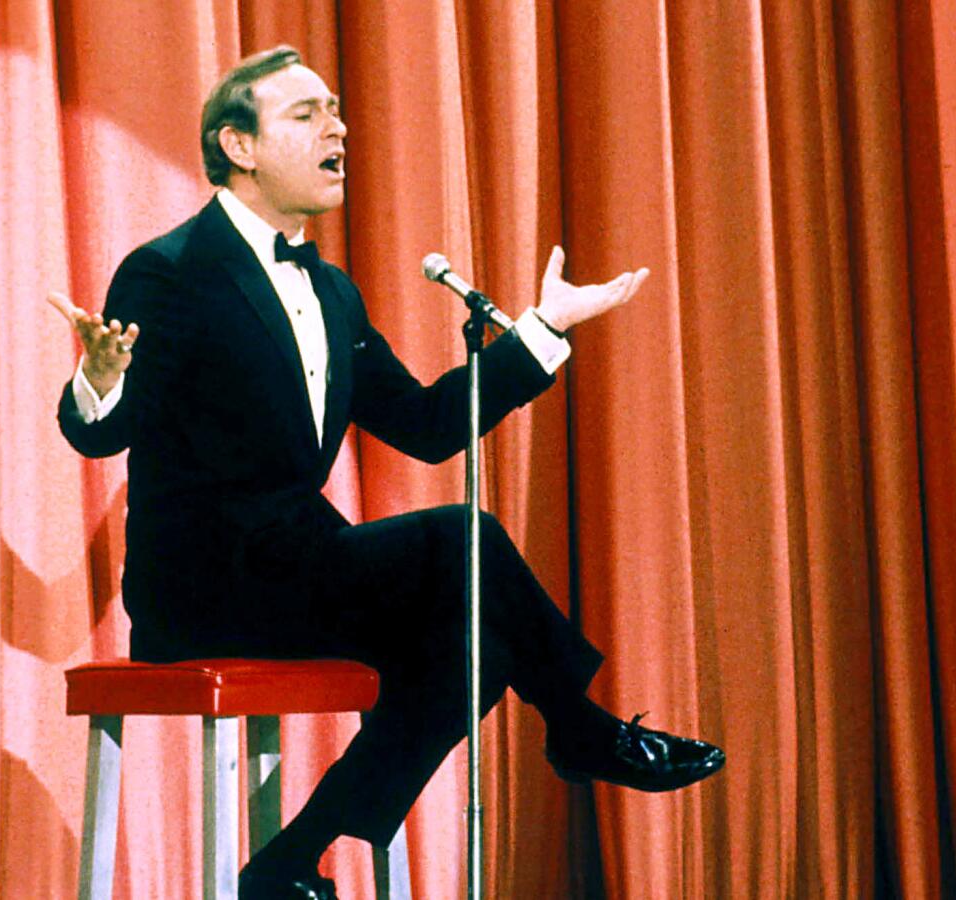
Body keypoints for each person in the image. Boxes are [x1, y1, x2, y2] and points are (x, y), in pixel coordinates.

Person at [50, 45, 724, 900]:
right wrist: (102, 379)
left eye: (336, 109)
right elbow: (102, 436)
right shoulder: (171, 269)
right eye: (306, 114)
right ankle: (579, 727)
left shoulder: (332, 292)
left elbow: (429, 427)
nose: (337, 126)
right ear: (240, 145)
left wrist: (543, 330)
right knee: (465, 537)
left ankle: (289, 865)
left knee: (471, 647)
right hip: (204, 587)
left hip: (302, 569)